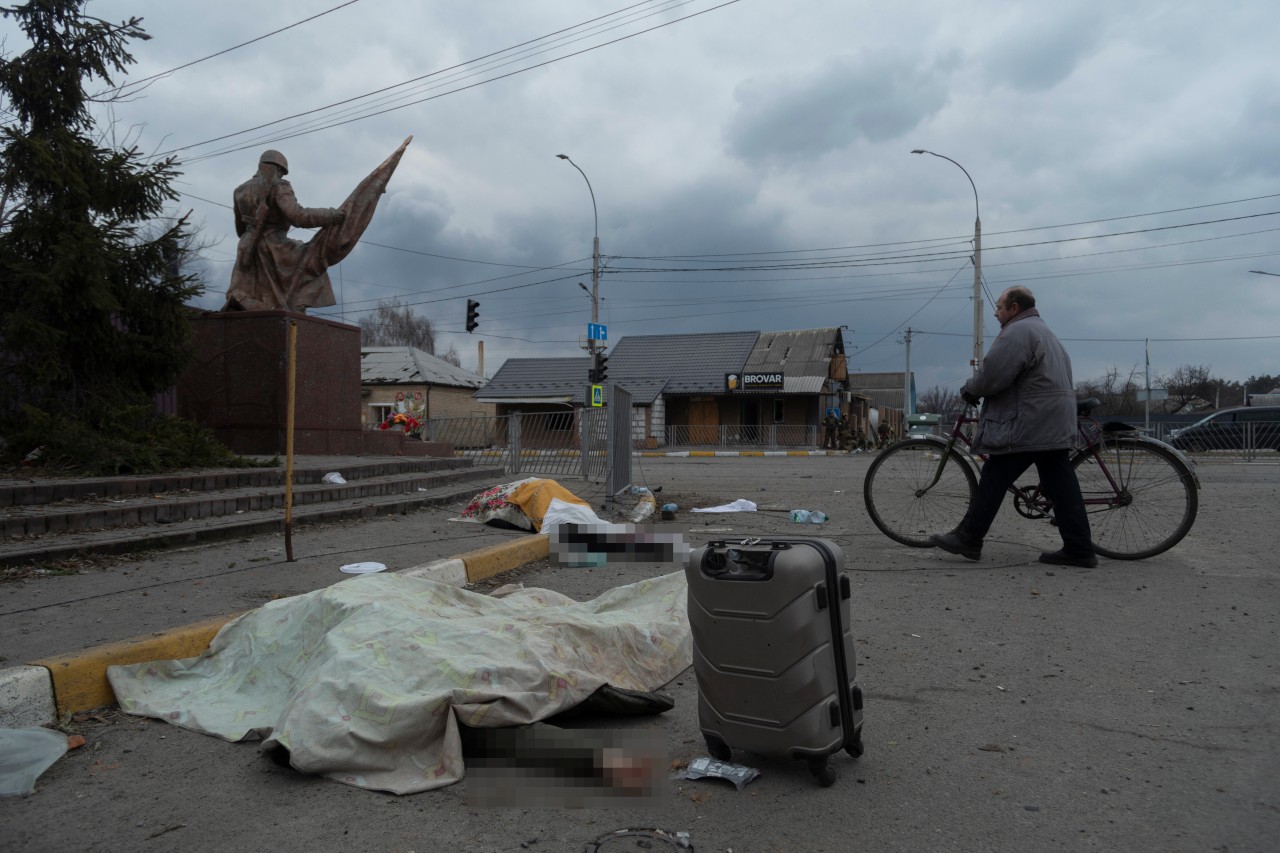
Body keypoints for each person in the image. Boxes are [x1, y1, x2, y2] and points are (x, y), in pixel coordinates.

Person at [930, 286, 1097, 568]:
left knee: (995, 474)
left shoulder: (1018, 333)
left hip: (1032, 419)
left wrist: (971, 389)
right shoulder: (1042, 330)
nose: (996, 313)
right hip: (1051, 418)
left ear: (1014, 308)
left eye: (999, 307)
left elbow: (993, 374)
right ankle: (1079, 548)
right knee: (1061, 484)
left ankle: (970, 538)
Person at [224, 149, 347, 312]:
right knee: (313, 263)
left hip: (246, 247)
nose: (281, 176)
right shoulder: (279, 185)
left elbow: (240, 229)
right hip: (275, 248)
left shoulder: (239, 190)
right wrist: (330, 215)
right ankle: (297, 306)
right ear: (278, 169)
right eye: (281, 172)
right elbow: (298, 216)